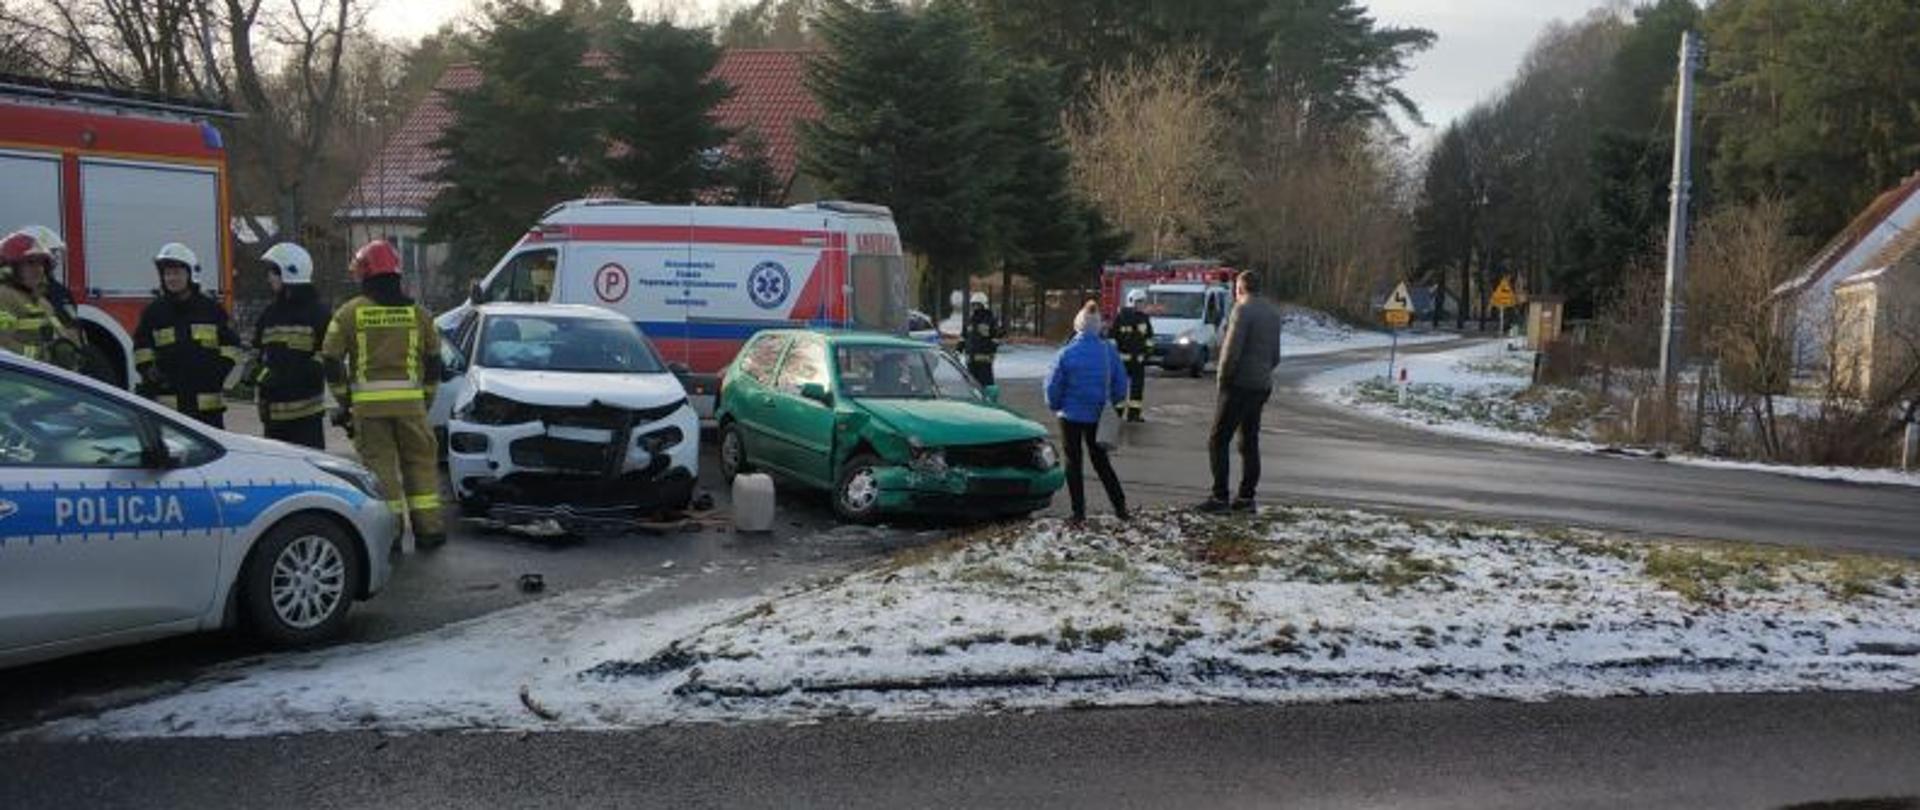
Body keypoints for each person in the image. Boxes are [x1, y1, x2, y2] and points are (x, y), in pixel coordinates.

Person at [320, 240, 447, 551]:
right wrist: (426, 399)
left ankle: (390, 537)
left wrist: (344, 400)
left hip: (368, 412)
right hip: (412, 408)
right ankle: (429, 531)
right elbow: (434, 361)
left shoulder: (348, 314)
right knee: (420, 465)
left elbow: (330, 358)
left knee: (381, 471)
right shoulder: (420, 314)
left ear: (365, 274)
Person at [133, 243, 243, 427]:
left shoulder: (211, 310)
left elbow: (232, 346)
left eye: (177, 273)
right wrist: (150, 372)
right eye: (167, 273)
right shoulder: (153, 312)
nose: (171, 278)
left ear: (191, 274)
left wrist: (218, 373)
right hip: (169, 411)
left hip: (208, 412)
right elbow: (141, 349)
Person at [1202, 271, 1282, 513]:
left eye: (1236, 288)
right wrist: (1263, 373)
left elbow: (1231, 350)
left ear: (1241, 288)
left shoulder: (1242, 309)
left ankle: (1219, 497)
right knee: (1249, 440)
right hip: (1261, 385)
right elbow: (1275, 356)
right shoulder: (1272, 313)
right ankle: (1246, 498)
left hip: (1239, 384)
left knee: (1218, 439)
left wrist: (1223, 379)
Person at [1045, 301, 1130, 524]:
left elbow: (1052, 385)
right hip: (1098, 415)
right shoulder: (1108, 352)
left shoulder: (1066, 353)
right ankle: (1120, 507)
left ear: (1078, 326)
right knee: (1101, 461)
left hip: (1069, 416)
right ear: (1098, 327)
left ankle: (1078, 512)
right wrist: (1114, 401)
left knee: (1073, 462)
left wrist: (1055, 405)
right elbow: (1121, 383)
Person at [248, 242, 331, 449]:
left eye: (274, 272)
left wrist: (299, 374)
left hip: (306, 419)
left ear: (290, 272)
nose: (269, 277)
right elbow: (254, 358)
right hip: (272, 418)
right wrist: (261, 376)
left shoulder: (317, 314)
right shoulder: (269, 314)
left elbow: (329, 355)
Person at [0, 229, 84, 370]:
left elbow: (60, 336)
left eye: (41, 264)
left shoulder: (41, 301)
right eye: (30, 263)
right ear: (11, 266)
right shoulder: (4, 296)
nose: (38, 269)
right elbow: (3, 347)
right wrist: (45, 356)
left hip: (39, 381)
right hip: (18, 384)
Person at [1108, 288, 1155, 423]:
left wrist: (1147, 353)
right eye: (1139, 302)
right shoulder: (1120, 318)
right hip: (1122, 361)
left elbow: (1149, 338)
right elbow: (1112, 338)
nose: (1142, 304)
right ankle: (1117, 413)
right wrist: (1115, 356)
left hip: (1139, 361)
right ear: (1132, 302)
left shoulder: (1144, 319)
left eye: (1143, 302)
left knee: (1137, 389)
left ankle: (1134, 415)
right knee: (1119, 387)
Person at [963, 291, 999, 386]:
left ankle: (990, 400)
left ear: (983, 305)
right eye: (973, 305)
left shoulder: (990, 320)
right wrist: (959, 348)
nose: (975, 307)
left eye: (977, 305)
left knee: (986, 386)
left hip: (984, 361)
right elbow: (963, 336)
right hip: (970, 360)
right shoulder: (969, 320)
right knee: (972, 386)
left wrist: (991, 350)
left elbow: (996, 337)